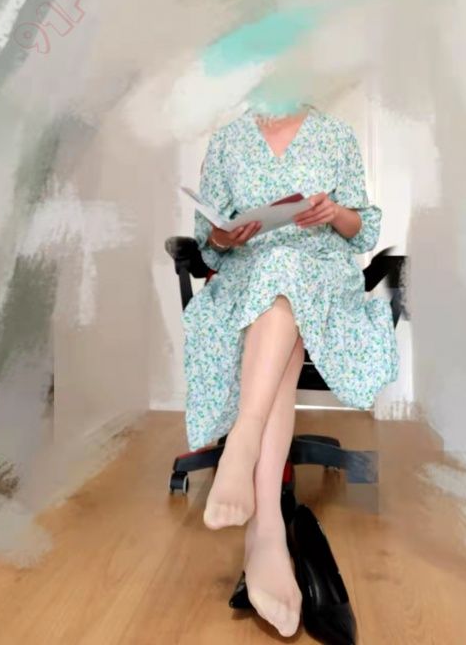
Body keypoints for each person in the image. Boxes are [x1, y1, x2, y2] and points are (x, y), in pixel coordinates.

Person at [182, 102, 398, 638]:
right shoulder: (228, 140)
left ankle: (248, 450)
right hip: (248, 281)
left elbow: (362, 230)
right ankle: (269, 530)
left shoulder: (335, 135)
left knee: (289, 277)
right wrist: (226, 237)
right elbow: (209, 241)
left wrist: (334, 214)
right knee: (276, 286)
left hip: (322, 278)